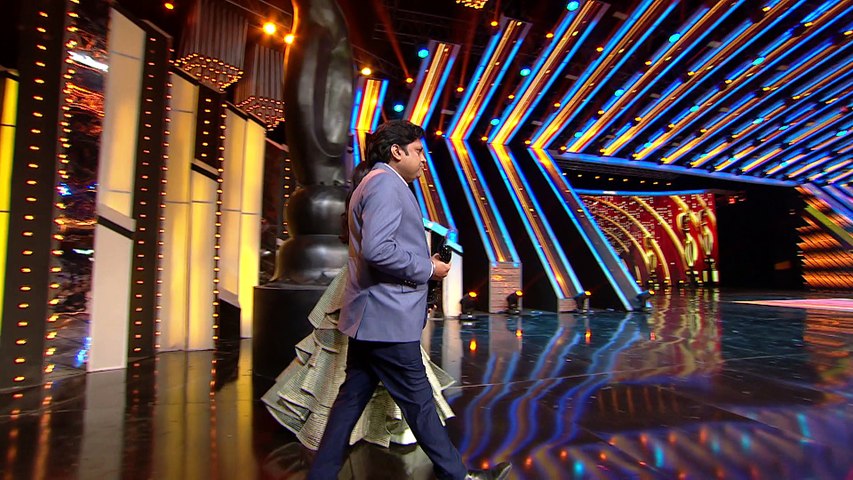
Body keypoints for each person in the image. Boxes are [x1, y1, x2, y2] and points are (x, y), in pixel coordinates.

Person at [307, 120, 511, 480]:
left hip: (370, 316)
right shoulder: (386, 184)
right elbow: (378, 250)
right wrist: (428, 268)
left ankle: (320, 474)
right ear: (396, 151)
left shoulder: (373, 182)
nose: (423, 159)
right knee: (419, 403)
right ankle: (457, 476)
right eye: (418, 151)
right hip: (387, 317)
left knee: (351, 400)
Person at [261, 161, 456, 451]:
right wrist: (426, 268)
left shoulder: (364, 199)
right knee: (398, 390)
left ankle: (327, 462)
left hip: (363, 299)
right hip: (378, 301)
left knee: (352, 386)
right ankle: (449, 467)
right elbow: (381, 253)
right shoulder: (381, 191)